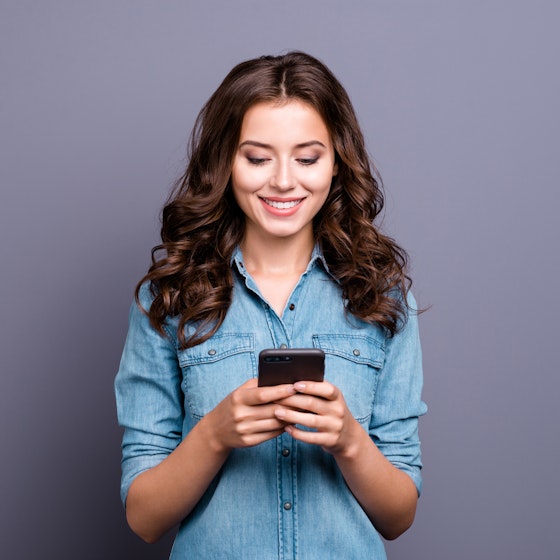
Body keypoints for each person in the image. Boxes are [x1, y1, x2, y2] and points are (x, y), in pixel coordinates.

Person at [115, 51, 427, 559]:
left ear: (337, 162)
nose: (284, 180)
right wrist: (214, 434)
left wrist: (350, 441)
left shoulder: (382, 298)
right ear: (225, 162)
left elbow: (399, 517)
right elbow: (144, 519)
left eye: (307, 158)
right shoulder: (168, 299)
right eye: (258, 157)